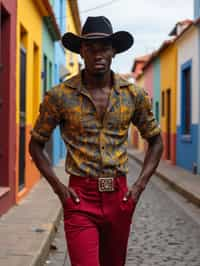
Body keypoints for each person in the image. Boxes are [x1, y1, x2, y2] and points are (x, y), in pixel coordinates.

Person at [29, 16, 163, 266]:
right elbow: (36, 144)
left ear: (114, 51)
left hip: (120, 198)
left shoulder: (133, 95)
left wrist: (138, 188)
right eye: (91, 48)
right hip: (80, 199)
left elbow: (155, 140)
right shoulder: (60, 96)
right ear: (82, 51)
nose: (98, 53)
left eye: (104, 47)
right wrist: (60, 189)